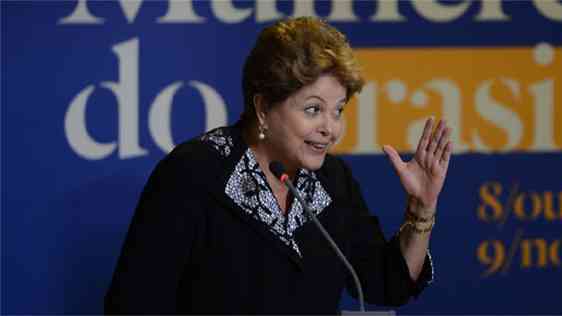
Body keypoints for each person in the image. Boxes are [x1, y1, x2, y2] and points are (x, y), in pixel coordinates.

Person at [104, 16, 452, 314]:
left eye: (338, 110)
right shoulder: (193, 174)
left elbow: (385, 284)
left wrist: (422, 207)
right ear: (263, 107)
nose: (330, 129)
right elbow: (133, 305)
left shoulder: (332, 180)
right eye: (313, 109)